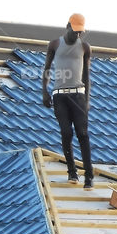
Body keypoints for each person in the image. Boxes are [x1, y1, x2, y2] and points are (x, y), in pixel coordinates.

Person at [42, 13, 94, 189]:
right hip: (59, 96)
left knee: (83, 133)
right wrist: (45, 92)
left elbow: (87, 75)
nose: (78, 35)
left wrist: (87, 99)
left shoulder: (85, 47)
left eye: (81, 32)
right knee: (66, 133)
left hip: (78, 95)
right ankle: (72, 171)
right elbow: (47, 69)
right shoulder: (55, 44)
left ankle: (89, 175)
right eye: (75, 30)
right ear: (68, 26)